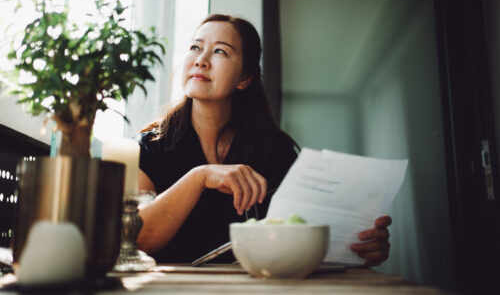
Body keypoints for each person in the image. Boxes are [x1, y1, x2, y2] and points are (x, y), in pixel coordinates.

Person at [136, 14, 391, 266]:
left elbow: (300, 241)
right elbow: (136, 240)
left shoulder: (277, 152)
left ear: (245, 78)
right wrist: (199, 177)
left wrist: (357, 245)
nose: (201, 60)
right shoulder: (149, 147)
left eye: (220, 52)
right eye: (195, 47)